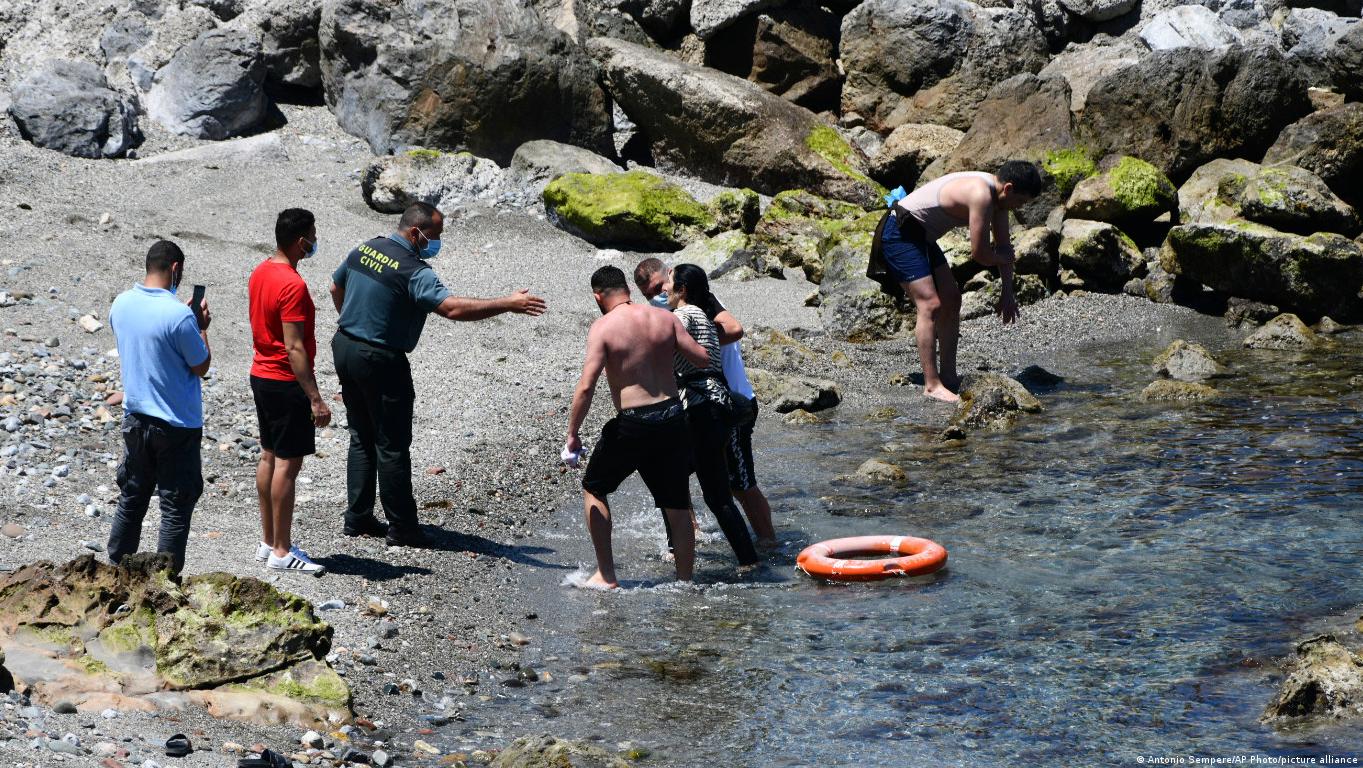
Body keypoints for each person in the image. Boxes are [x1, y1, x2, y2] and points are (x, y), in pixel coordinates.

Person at [330, 202, 546, 547]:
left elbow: (334, 287)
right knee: (392, 444)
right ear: (416, 233)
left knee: (361, 434)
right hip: (381, 358)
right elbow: (452, 308)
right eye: (436, 235)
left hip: (344, 346)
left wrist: (357, 322)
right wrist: (507, 303)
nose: (438, 242)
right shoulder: (414, 270)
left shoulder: (365, 248)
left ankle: (357, 518)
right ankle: (402, 528)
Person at [566, 266, 713, 589]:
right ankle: (685, 581)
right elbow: (701, 357)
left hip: (633, 423)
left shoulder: (603, 327)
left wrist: (573, 433)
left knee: (594, 488)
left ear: (598, 296)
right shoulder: (664, 318)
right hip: (673, 418)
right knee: (676, 502)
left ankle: (606, 575)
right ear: (627, 290)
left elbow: (586, 387)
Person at [633, 259, 776, 548]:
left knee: (740, 485)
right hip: (693, 406)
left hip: (731, 402)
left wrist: (694, 340)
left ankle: (768, 542)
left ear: (672, 278)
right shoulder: (664, 311)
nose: (658, 295)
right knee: (672, 471)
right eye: (650, 294)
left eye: (661, 287)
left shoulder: (702, 300)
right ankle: (691, 534)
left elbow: (734, 329)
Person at [884, 160, 1042, 402]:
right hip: (899, 230)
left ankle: (948, 376)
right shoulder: (982, 195)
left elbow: (1003, 247)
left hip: (921, 237)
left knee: (951, 299)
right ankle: (931, 385)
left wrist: (1008, 292)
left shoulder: (999, 199)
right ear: (1008, 188)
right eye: (1021, 202)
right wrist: (1003, 257)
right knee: (930, 304)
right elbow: (980, 254)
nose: (1020, 208)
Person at [106, 240, 211, 575]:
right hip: (176, 423)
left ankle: (115, 571)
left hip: (135, 417)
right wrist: (202, 327)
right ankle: (164, 581)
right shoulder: (180, 316)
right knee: (175, 505)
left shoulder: (121, 304)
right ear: (176, 269)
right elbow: (201, 365)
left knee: (132, 497)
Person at [248, 208, 330, 576]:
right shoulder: (292, 285)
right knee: (287, 464)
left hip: (261, 375)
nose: (315, 240)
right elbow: (294, 347)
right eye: (313, 234)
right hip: (284, 381)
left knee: (268, 456)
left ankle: (268, 542)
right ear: (301, 241)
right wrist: (314, 397)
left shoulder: (261, 271)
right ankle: (282, 549)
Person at [664, 264, 760, 568]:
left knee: (701, 491)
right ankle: (749, 561)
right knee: (711, 493)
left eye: (668, 284)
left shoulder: (682, 317)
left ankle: (681, 553)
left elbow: (658, 347)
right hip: (717, 407)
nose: (663, 290)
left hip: (702, 409)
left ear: (682, 290)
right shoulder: (703, 316)